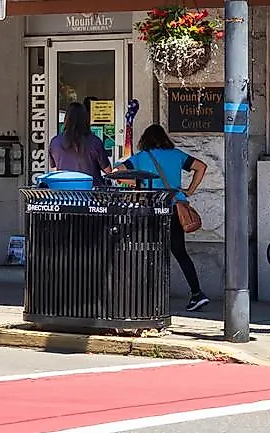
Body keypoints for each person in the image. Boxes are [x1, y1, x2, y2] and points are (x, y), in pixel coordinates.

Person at [126, 124, 211, 313]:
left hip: (151, 209)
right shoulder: (177, 155)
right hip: (174, 207)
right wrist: (189, 190)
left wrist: (138, 182)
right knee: (180, 252)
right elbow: (201, 167)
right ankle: (197, 293)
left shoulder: (141, 157)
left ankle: (150, 298)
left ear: (145, 140)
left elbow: (118, 174)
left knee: (150, 252)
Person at [47, 102, 111, 180]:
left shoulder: (55, 142)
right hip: (90, 189)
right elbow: (108, 170)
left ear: (66, 119)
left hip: (63, 190)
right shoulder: (94, 141)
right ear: (86, 119)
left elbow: (54, 169)